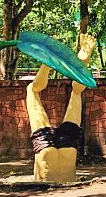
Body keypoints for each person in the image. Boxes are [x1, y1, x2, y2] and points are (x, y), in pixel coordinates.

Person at [26, 32, 97, 183]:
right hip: (68, 151)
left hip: (45, 149)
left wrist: (48, 60)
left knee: (32, 91)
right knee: (76, 94)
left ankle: (47, 62)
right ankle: (83, 61)